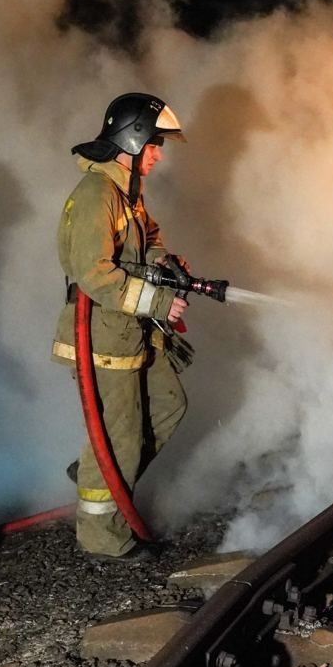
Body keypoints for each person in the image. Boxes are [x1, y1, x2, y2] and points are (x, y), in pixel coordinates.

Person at [52, 93, 190, 560]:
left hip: (130, 331)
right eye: (154, 144)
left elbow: (147, 239)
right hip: (102, 337)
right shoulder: (97, 194)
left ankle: (104, 468)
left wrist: (166, 263)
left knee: (169, 404)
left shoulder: (126, 192)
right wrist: (160, 301)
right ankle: (101, 538)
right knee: (119, 438)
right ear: (132, 139)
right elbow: (93, 273)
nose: (159, 155)